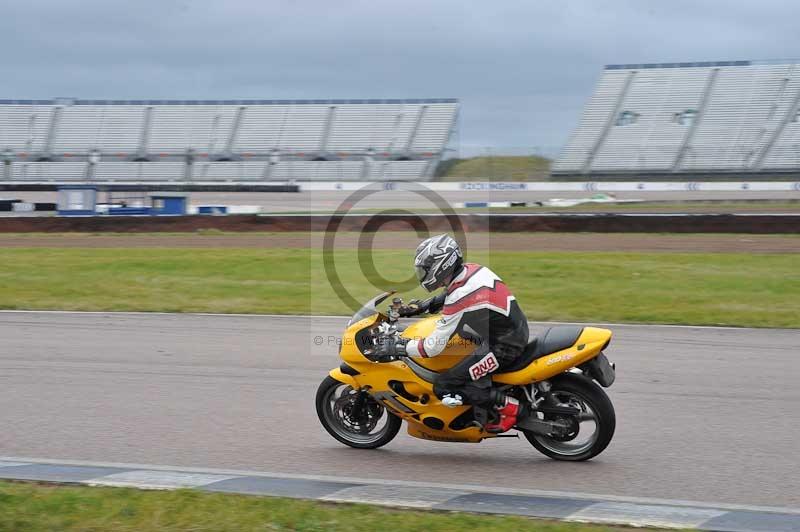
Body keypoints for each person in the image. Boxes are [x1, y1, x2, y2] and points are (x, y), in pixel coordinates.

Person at [375, 234, 529, 433]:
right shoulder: (471, 270)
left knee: (445, 385)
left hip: (504, 346)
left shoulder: (460, 295)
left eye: (425, 269)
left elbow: (432, 347)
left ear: (441, 265)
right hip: (506, 331)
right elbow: (449, 295)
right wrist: (419, 307)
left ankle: (512, 407)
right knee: (460, 344)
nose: (423, 273)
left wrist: (397, 346)